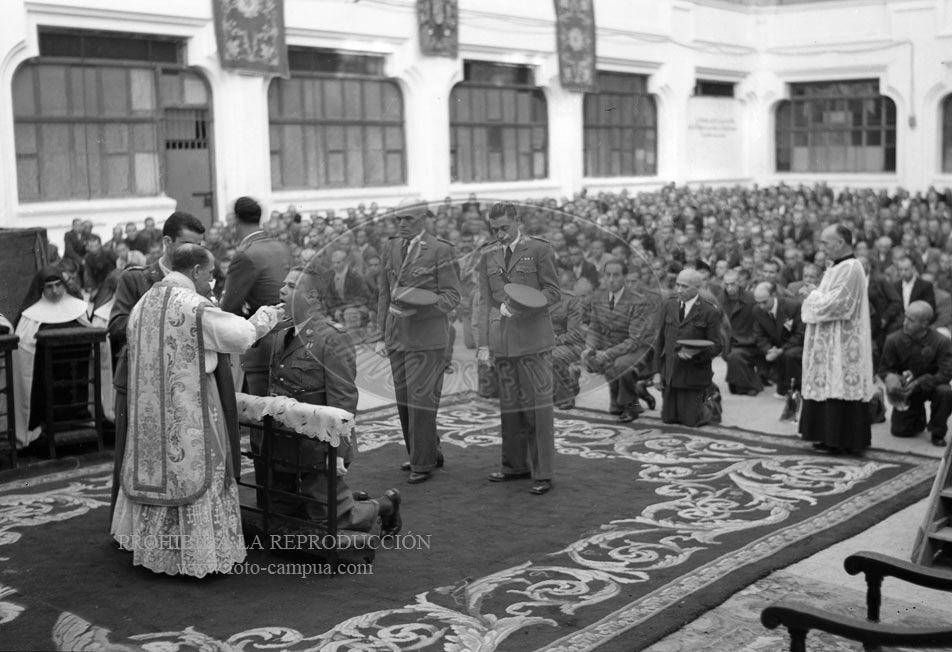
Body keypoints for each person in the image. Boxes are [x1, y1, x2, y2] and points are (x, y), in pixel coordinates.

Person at [111, 244, 283, 577]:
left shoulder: (143, 303)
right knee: (199, 467)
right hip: (190, 407)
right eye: (211, 273)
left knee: (160, 474)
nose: (213, 281)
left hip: (151, 413)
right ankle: (197, 555)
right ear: (196, 271)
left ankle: (156, 549)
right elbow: (240, 335)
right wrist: (268, 316)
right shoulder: (193, 305)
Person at [264, 266, 401, 534]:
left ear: (312, 297)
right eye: (284, 283)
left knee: (329, 522)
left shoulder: (332, 338)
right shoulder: (281, 332)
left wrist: (336, 450)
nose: (282, 290)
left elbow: (343, 400)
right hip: (286, 442)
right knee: (280, 515)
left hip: (319, 444)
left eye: (291, 286)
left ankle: (385, 505)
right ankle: (343, 498)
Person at [107, 211, 207, 519]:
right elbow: (116, 324)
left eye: (199, 245)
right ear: (167, 242)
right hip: (143, 382)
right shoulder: (137, 277)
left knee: (184, 456)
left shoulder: (199, 277)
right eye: (188, 244)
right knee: (133, 454)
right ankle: (130, 525)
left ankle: (178, 524)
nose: (195, 252)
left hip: (183, 384)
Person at [477, 201, 561, 495]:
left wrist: (523, 307)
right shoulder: (487, 253)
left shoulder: (539, 249)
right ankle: (515, 465)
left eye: (505, 228)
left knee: (537, 409)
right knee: (510, 408)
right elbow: (485, 301)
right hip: (504, 342)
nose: (500, 234)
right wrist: (484, 344)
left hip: (534, 342)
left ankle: (543, 472)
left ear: (518, 222)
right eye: (495, 229)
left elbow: (553, 291)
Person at [375, 197, 460, 484]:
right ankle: (425, 451)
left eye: (408, 219)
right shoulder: (390, 247)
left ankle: (422, 463)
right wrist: (380, 333)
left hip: (427, 338)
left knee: (421, 402)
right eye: (398, 219)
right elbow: (384, 293)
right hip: (397, 335)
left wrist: (420, 304)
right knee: (405, 402)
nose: (401, 224)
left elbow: (451, 297)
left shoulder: (441, 250)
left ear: (423, 219)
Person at [799, 224, 876, 454]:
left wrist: (811, 295)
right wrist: (816, 292)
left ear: (841, 242)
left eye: (826, 243)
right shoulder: (836, 267)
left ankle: (841, 439)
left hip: (843, 340)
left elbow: (837, 304)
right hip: (828, 339)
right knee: (826, 383)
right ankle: (824, 436)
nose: (822, 248)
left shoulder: (852, 267)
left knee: (839, 383)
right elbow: (828, 296)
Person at [220, 196, 292, 396]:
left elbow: (228, 309)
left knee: (259, 412)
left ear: (234, 220)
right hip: (292, 336)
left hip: (264, 342)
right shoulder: (281, 247)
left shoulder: (246, 254)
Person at [12, 266, 90, 448]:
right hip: (45, 378)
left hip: (75, 374)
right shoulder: (30, 316)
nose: (55, 291)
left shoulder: (77, 308)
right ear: (41, 289)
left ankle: (79, 415)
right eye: (49, 287)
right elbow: (24, 349)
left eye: (58, 285)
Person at [581, 259, 657, 421]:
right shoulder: (598, 297)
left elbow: (635, 340)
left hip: (639, 349)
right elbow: (594, 327)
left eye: (616, 275)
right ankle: (633, 394)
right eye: (607, 275)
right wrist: (590, 347)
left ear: (624, 277)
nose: (611, 279)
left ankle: (631, 406)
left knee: (621, 365)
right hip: (612, 347)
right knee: (614, 408)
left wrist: (608, 354)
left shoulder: (638, 301)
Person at [651, 268, 723, 427]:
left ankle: (713, 401)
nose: (679, 290)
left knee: (691, 421)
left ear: (697, 287)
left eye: (684, 286)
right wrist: (656, 372)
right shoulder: (669, 305)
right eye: (677, 285)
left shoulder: (709, 311)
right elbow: (660, 341)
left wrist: (695, 353)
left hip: (694, 374)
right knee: (668, 419)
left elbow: (718, 346)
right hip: (671, 373)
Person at [879, 300, 952, 447]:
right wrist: (893, 379)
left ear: (925, 324)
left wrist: (919, 383)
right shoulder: (893, 340)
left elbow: (946, 373)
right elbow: (884, 370)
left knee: (945, 392)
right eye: (905, 317)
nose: (905, 323)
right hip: (906, 390)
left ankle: (937, 431)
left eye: (911, 320)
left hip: (932, 386)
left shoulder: (941, 342)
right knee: (901, 431)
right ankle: (918, 418)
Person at [752, 281, 805, 395]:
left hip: (796, 344)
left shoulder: (793, 306)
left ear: (773, 295)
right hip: (774, 345)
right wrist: (769, 349)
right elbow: (759, 335)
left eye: (764, 302)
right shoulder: (756, 310)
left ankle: (793, 389)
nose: (761, 306)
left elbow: (800, 334)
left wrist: (781, 350)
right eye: (758, 303)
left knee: (789, 354)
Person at [719, 270, 763, 395]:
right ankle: (742, 385)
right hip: (728, 343)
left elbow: (760, 323)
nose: (729, 287)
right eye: (726, 284)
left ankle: (749, 386)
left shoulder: (751, 299)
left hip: (750, 341)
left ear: (739, 283)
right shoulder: (719, 300)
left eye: (732, 284)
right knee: (733, 355)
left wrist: (754, 339)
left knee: (736, 355)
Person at [550, 269, 585, 410]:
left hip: (570, 344)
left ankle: (566, 398)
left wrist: (554, 341)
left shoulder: (571, 301)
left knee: (553, 356)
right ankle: (571, 379)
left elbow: (575, 333)